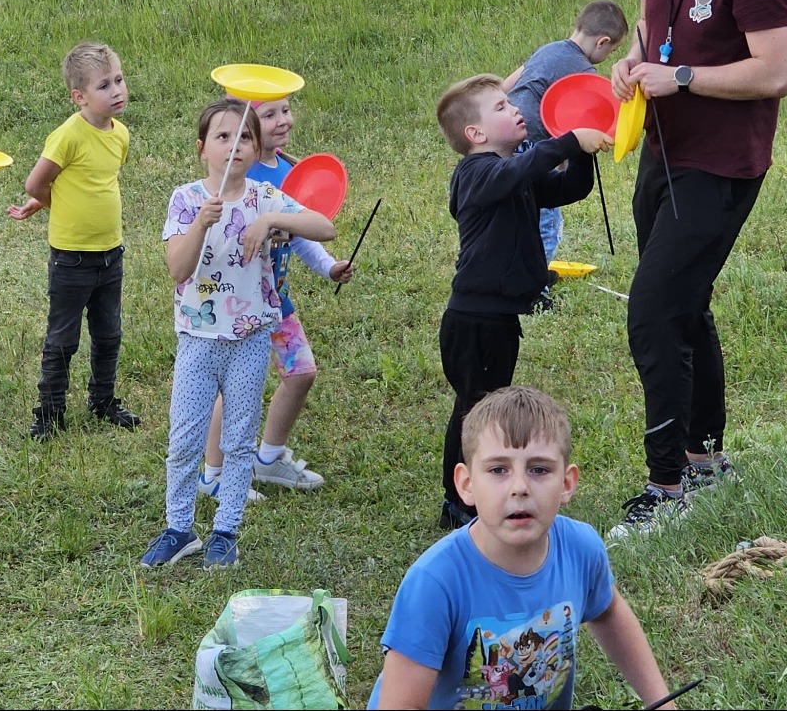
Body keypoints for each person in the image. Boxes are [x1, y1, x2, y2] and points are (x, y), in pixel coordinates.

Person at [607, 0, 787, 537]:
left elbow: (775, 72)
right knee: (686, 305)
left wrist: (681, 77)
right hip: (660, 149)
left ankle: (666, 489)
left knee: (653, 311)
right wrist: (635, 61)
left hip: (721, 164)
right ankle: (707, 462)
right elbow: (649, 24)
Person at [368, 387, 677, 711]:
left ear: (567, 483)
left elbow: (609, 611)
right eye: (498, 470)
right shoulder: (435, 582)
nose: (519, 487)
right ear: (466, 485)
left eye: (539, 469)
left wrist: (661, 703)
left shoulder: (581, 549)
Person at [141, 99, 338, 570]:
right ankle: (179, 528)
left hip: (250, 340)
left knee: (239, 440)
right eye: (223, 137)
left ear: (255, 147)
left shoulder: (264, 198)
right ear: (202, 148)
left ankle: (225, 531)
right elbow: (178, 269)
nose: (235, 146)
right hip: (198, 340)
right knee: (184, 440)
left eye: (245, 137)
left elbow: (324, 227)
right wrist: (201, 224)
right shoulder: (186, 199)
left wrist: (272, 221)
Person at [434, 75, 608, 530]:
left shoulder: (513, 173)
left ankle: (470, 494)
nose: (515, 109)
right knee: (474, 411)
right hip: (473, 320)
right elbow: (517, 173)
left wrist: (581, 154)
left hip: (498, 319)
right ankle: (459, 503)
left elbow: (569, 189)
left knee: (482, 405)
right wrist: (568, 140)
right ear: (475, 133)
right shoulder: (476, 174)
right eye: (501, 107)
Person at [199, 92, 355, 501]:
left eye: (285, 110)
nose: (283, 120)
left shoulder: (288, 170)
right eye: (269, 115)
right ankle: (213, 475)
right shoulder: (239, 175)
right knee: (233, 389)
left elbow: (302, 232)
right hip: (237, 304)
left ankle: (268, 458)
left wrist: (328, 267)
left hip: (275, 301)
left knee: (301, 372)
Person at [7, 42, 140, 438]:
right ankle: (49, 414)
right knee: (62, 339)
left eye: (119, 80)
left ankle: (103, 400)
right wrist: (50, 204)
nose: (116, 91)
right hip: (71, 259)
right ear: (78, 96)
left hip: (110, 253)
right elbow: (36, 183)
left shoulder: (120, 135)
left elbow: (95, 182)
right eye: (104, 85)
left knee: (109, 333)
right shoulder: (68, 135)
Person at [502, 0, 630, 261]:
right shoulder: (584, 74)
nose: (609, 57)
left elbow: (507, 86)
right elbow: (582, 122)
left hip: (506, 136)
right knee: (546, 219)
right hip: (535, 144)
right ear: (602, 42)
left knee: (517, 207)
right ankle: (539, 277)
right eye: (613, 51)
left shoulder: (548, 49)